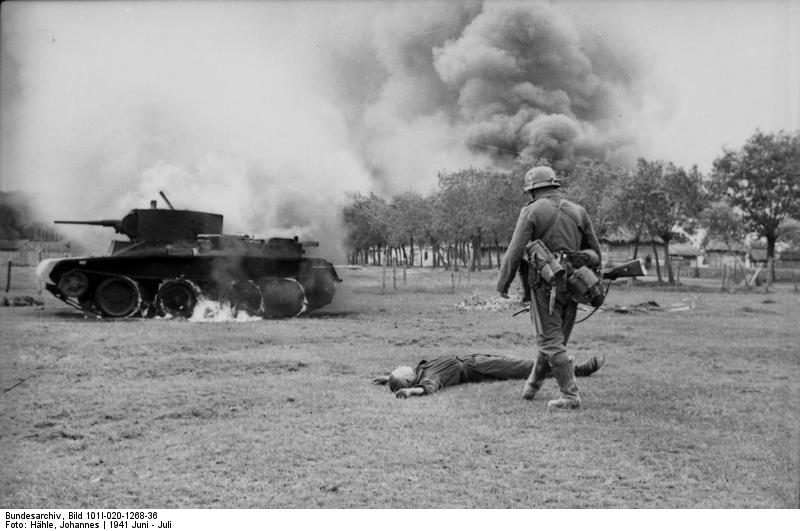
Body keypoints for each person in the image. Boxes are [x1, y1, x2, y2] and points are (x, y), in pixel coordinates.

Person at [496, 166, 602, 410]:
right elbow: (595, 254)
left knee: (550, 340)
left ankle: (570, 396)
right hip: (576, 285)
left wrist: (503, 284)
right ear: (554, 186)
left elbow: (514, 250)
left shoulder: (531, 210)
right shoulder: (579, 211)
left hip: (544, 286)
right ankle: (532, 387)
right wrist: (575, 261)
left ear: (533, 190)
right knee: (555, 339)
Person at [373, 353, 604, 398]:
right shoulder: (427, 377)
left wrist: (388, 379)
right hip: (479, 368)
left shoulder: (419, 370)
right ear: (407, 380)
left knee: (526, 365)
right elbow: (427, 389)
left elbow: (403, 378)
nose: (401, 365)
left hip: (475, 360)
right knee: (526, 367)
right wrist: (408, 392)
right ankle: (579, 371)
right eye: (398, 370)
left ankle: (571, 369)